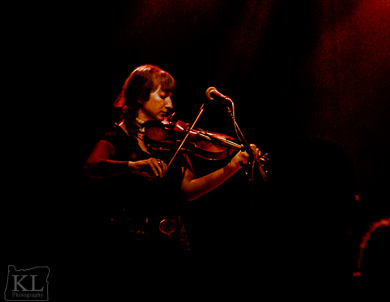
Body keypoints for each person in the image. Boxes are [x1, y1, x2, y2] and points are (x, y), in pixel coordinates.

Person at [84, 64, 259, 253]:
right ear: (141, 96)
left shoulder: (173, 139)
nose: (170, 105)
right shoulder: (116, 137)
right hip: (130, 238)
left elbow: (189, 190)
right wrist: (132, 166)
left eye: (170, 97)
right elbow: (91, 166)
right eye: (162, 96)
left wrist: (233, 166)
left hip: (175, 238)